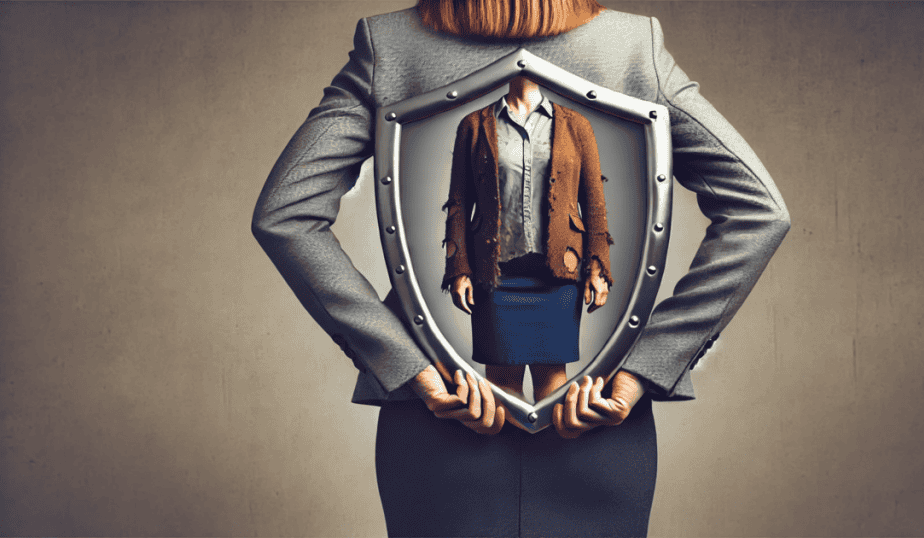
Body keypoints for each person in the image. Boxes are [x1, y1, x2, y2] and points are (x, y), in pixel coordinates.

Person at [251, 0, 790, 535]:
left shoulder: (389, 48)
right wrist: (644, 369)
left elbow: (286, 213)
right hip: (564, 400)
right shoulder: (631, 48)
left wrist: (404, 363)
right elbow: (758, 209)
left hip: (493, 402)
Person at [443, 75, 612, 402]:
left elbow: (594, 202)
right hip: (496, 276)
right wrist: (459, 269)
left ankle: (549, 453)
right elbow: (459, 203)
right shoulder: (475, 125)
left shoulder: (576, 125)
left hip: (558, 276)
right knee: (502, 384)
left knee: (553, 381)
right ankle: (509, 454)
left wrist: (597, 267)